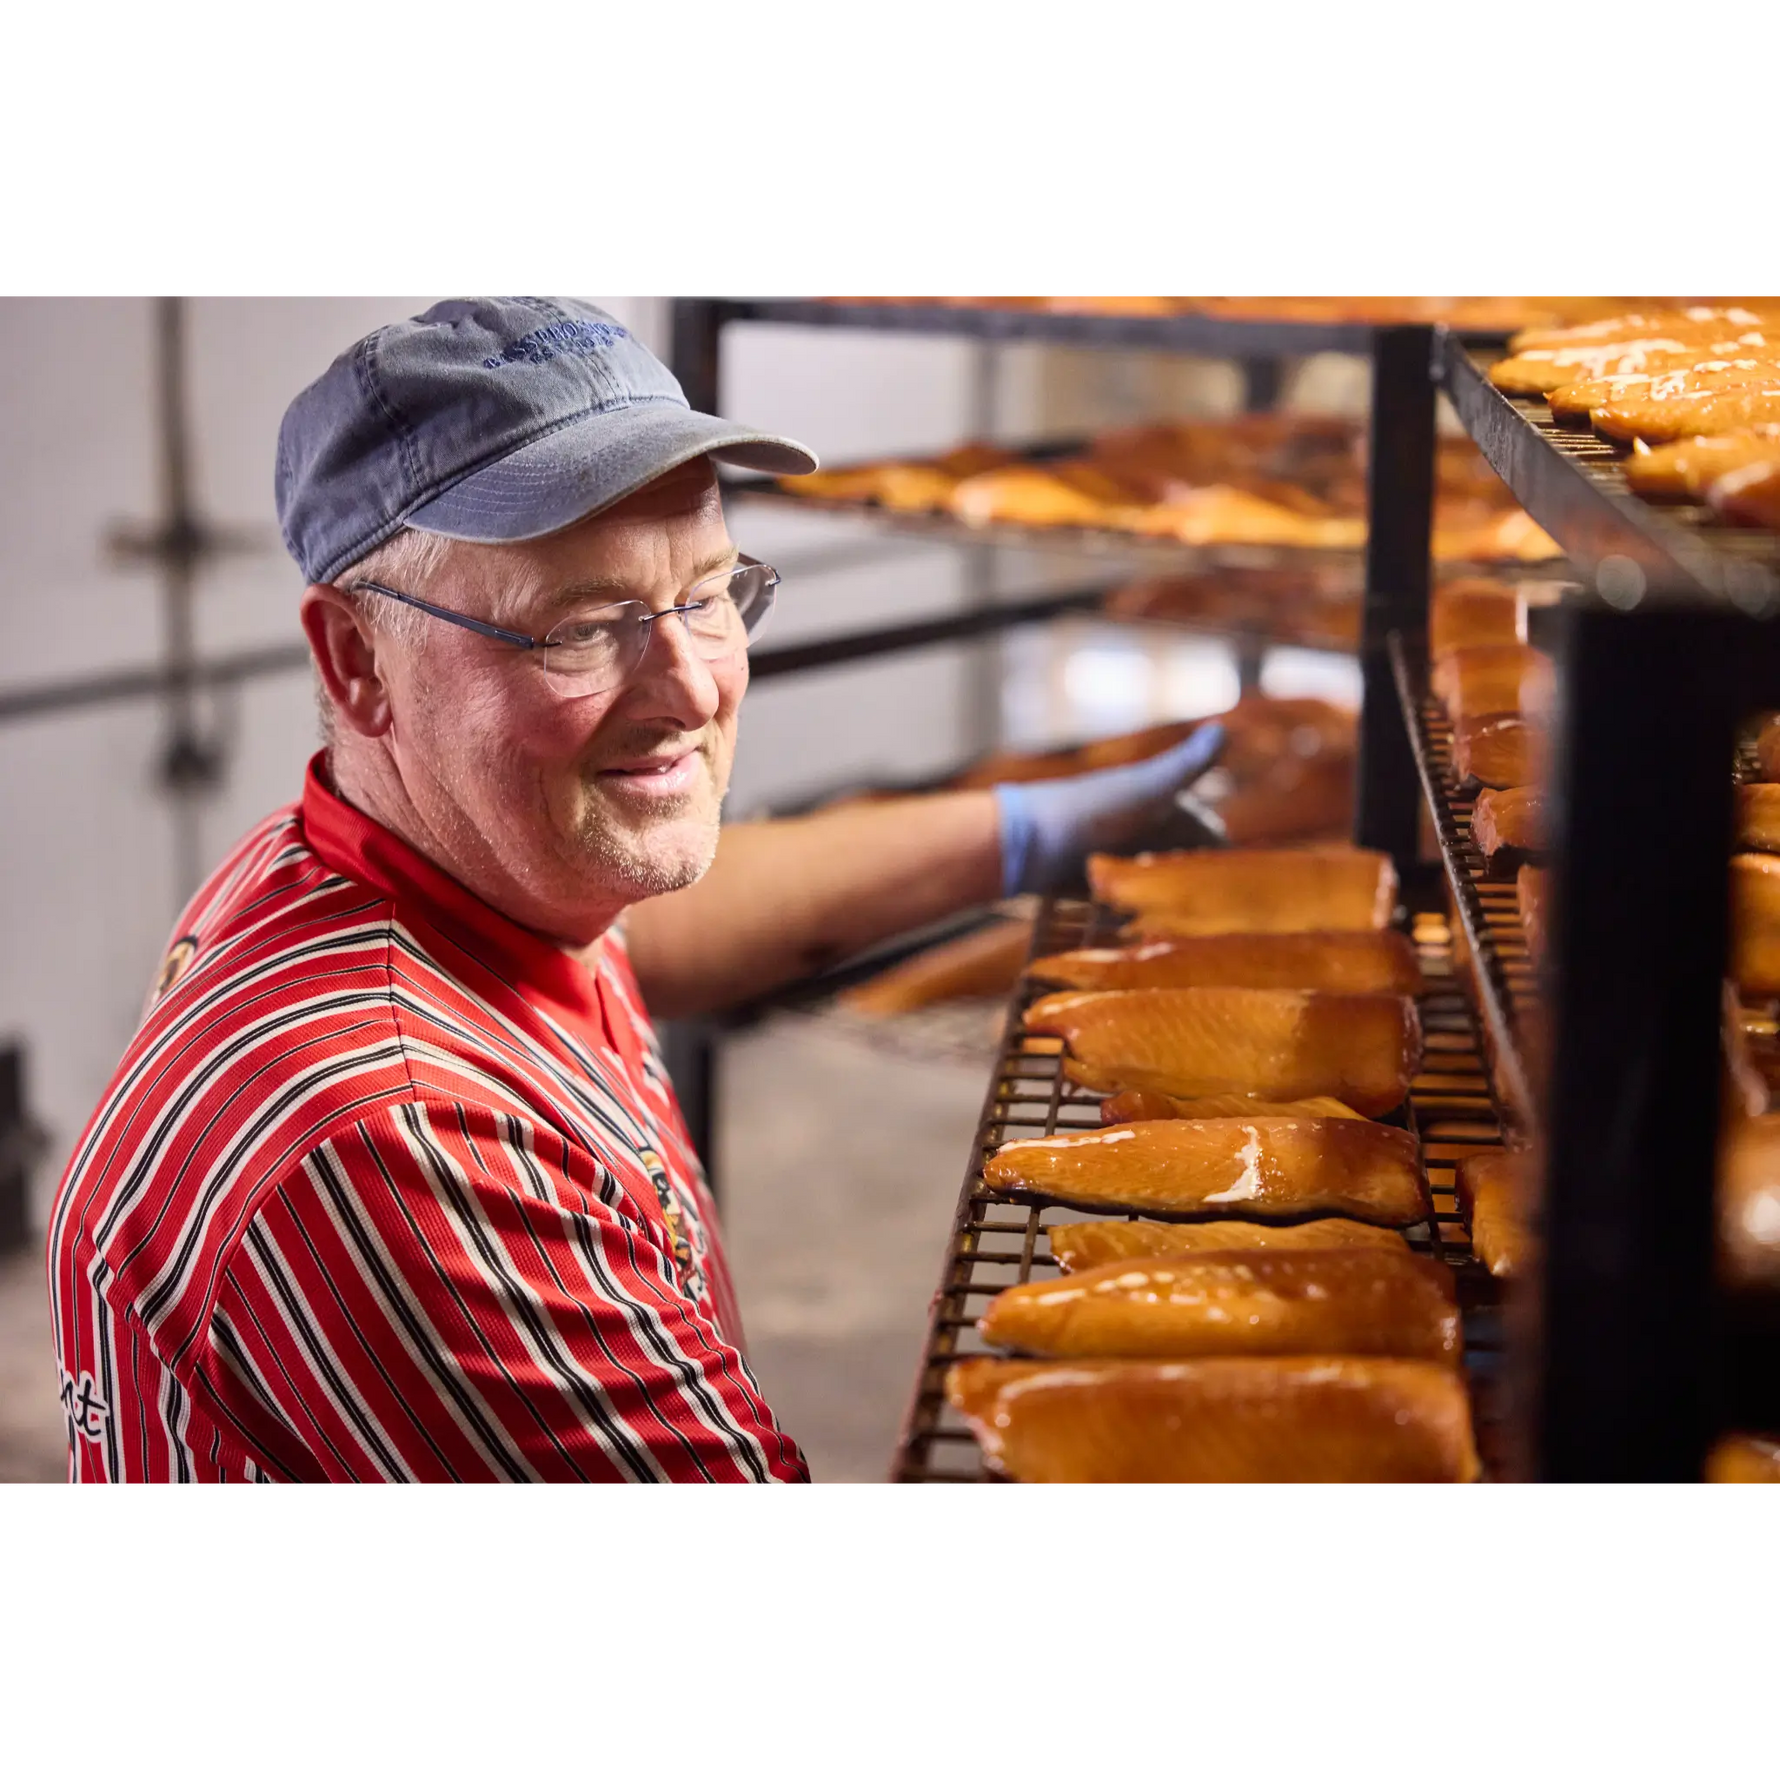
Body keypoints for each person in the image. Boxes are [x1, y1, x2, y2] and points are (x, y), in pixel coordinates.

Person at [48, 296, 1223, 1485]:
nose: (689, 687)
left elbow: (659, 929)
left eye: (707, 594)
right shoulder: (389, 1140)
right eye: (585, 623)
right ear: (359, 663)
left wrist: (1026, 832)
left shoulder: (387, 871)